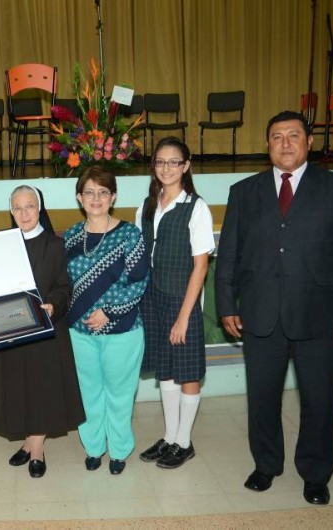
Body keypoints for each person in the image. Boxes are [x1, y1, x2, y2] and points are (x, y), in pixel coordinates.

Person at [215, 111, 333, 505]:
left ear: (309, 142)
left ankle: (316, 473)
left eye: (293, 135)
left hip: (321, 317)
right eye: (277, 137)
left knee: (319, 400)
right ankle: (266, 465)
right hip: (260, 313)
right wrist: (225, 304)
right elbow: (229, 254)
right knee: (262, 398)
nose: (285, 143)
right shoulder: (244, 192)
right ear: (267, 144)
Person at [0, 186, 85, 478]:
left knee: (40, 389)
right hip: (10, 331)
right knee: (19, 388)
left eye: (29, 207)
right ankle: (28, 442)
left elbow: (65, 286)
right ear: (11, 211)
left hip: (46, 329)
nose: (23, 214)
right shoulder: (0, 245)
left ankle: (36, 450)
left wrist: (53, 305)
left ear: (39, 209)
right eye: (17, 208)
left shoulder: (55, 245)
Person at [136, 138, 214, 470]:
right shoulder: (147, 204)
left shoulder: (196, 207)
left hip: (182, 299)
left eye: (173, 162)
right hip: (153, 297)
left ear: (186, 165)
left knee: (187, 371)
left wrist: (184, 317)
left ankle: (184, 441)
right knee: (165, 369)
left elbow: (201, 265)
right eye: (160, 162)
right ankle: (170, 436)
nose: (166, 168)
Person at [64, 165, 148, 475]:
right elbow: (64, 284)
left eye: (103, 192)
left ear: (112, 196)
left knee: (120, 393)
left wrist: (109, 312)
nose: (96, 198)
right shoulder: (71, 236)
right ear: (79, 197)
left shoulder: (129, 234)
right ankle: (94, 447)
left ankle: (120, 450)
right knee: (89, 392)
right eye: (89, 192)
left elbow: (139, 280)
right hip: (80, 330)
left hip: (122, 329)